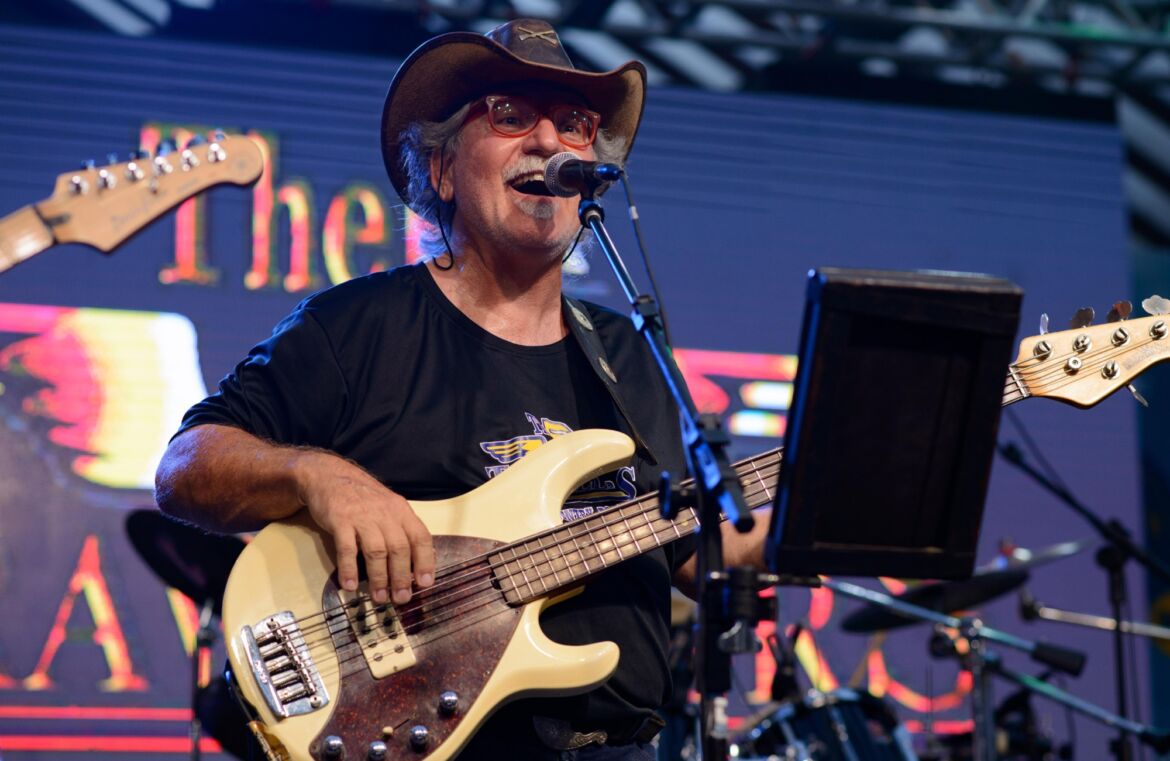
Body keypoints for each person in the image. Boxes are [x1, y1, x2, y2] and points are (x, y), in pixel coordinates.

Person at [155, 18, 766, 760]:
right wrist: (317, 476)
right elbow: (184, 467)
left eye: (574, 124)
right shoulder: (361, 325)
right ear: (441, 169)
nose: (548, 141)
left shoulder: (627, 352)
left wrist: (825, 510)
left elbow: (700, 549)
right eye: (510, 114)